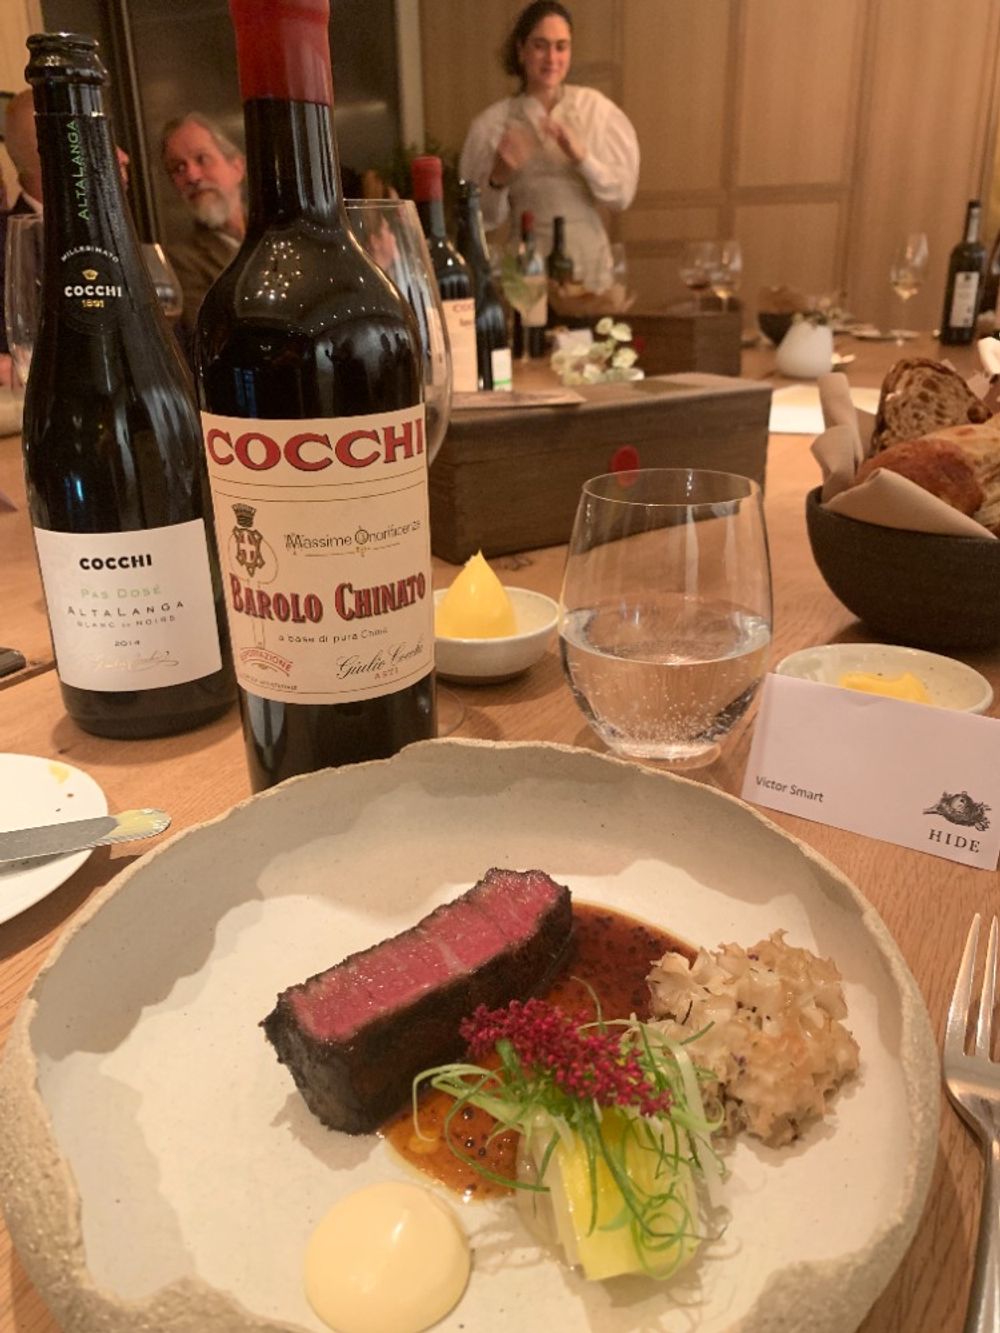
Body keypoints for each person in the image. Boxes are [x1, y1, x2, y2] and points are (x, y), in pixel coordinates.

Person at [459, 1, 639, 295]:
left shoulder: (597, 111)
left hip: (590, 272)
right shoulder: (491, 125)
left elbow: (621, 196)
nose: (552, 58)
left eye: (561, 46)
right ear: (521, 50)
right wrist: (499, 176)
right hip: (525, 274)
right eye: (540, 45)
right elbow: (481, 221)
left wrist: (583, 158)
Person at [160, 113, 247, 346]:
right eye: (178, 168)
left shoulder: (281, 232)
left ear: (237, 166)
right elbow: (213, 338)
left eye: (202, 159)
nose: (192, 176)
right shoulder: (180, 263)